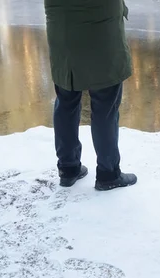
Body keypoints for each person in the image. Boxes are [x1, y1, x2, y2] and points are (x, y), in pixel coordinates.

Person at [44, 0, 137, 190]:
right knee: (105, 104)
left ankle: (68, 168)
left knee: (66, 99)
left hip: (63, 31)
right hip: (101, 31)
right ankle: (108, 173)